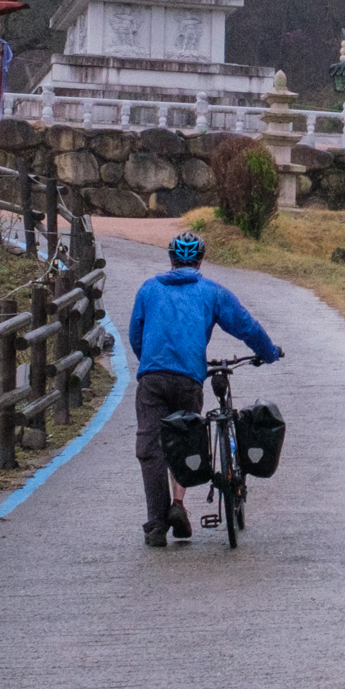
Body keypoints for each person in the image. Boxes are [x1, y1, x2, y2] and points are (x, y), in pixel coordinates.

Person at [128, 231, 281, 548]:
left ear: (171, 260)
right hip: (188, 379)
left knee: (151, 449)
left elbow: (135, 336)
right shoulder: (211, 292)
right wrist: (268, 352)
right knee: (183, 439)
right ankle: (179, 505)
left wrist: (154, 361)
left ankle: (156, 524)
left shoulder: (148, 290)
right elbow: (246, 325)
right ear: (199, 261)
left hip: (152, 380)